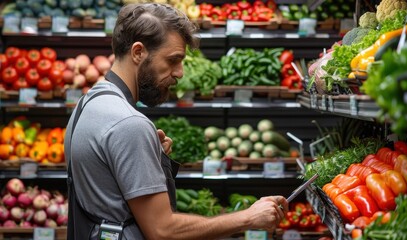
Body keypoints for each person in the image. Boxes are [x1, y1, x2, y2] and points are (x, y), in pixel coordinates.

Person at [64, 2, 288, 239]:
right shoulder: (129, 124)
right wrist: (248, 217)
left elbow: (102, 186)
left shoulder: (88, 103)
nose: (180, 72)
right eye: (173, 60)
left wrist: (147, 158)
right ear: (138, 52)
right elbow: (162, 230)